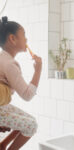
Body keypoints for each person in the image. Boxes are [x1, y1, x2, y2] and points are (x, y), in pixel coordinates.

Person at [0, 16, 42, 150]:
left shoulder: (2, 58)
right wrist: (38, 70)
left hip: (3, 106)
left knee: (29, 120)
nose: (26, 39)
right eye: (23, 35)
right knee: (31, 126)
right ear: (12, 39)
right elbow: (27, 95)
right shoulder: (10, 64)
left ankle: (3, 144)